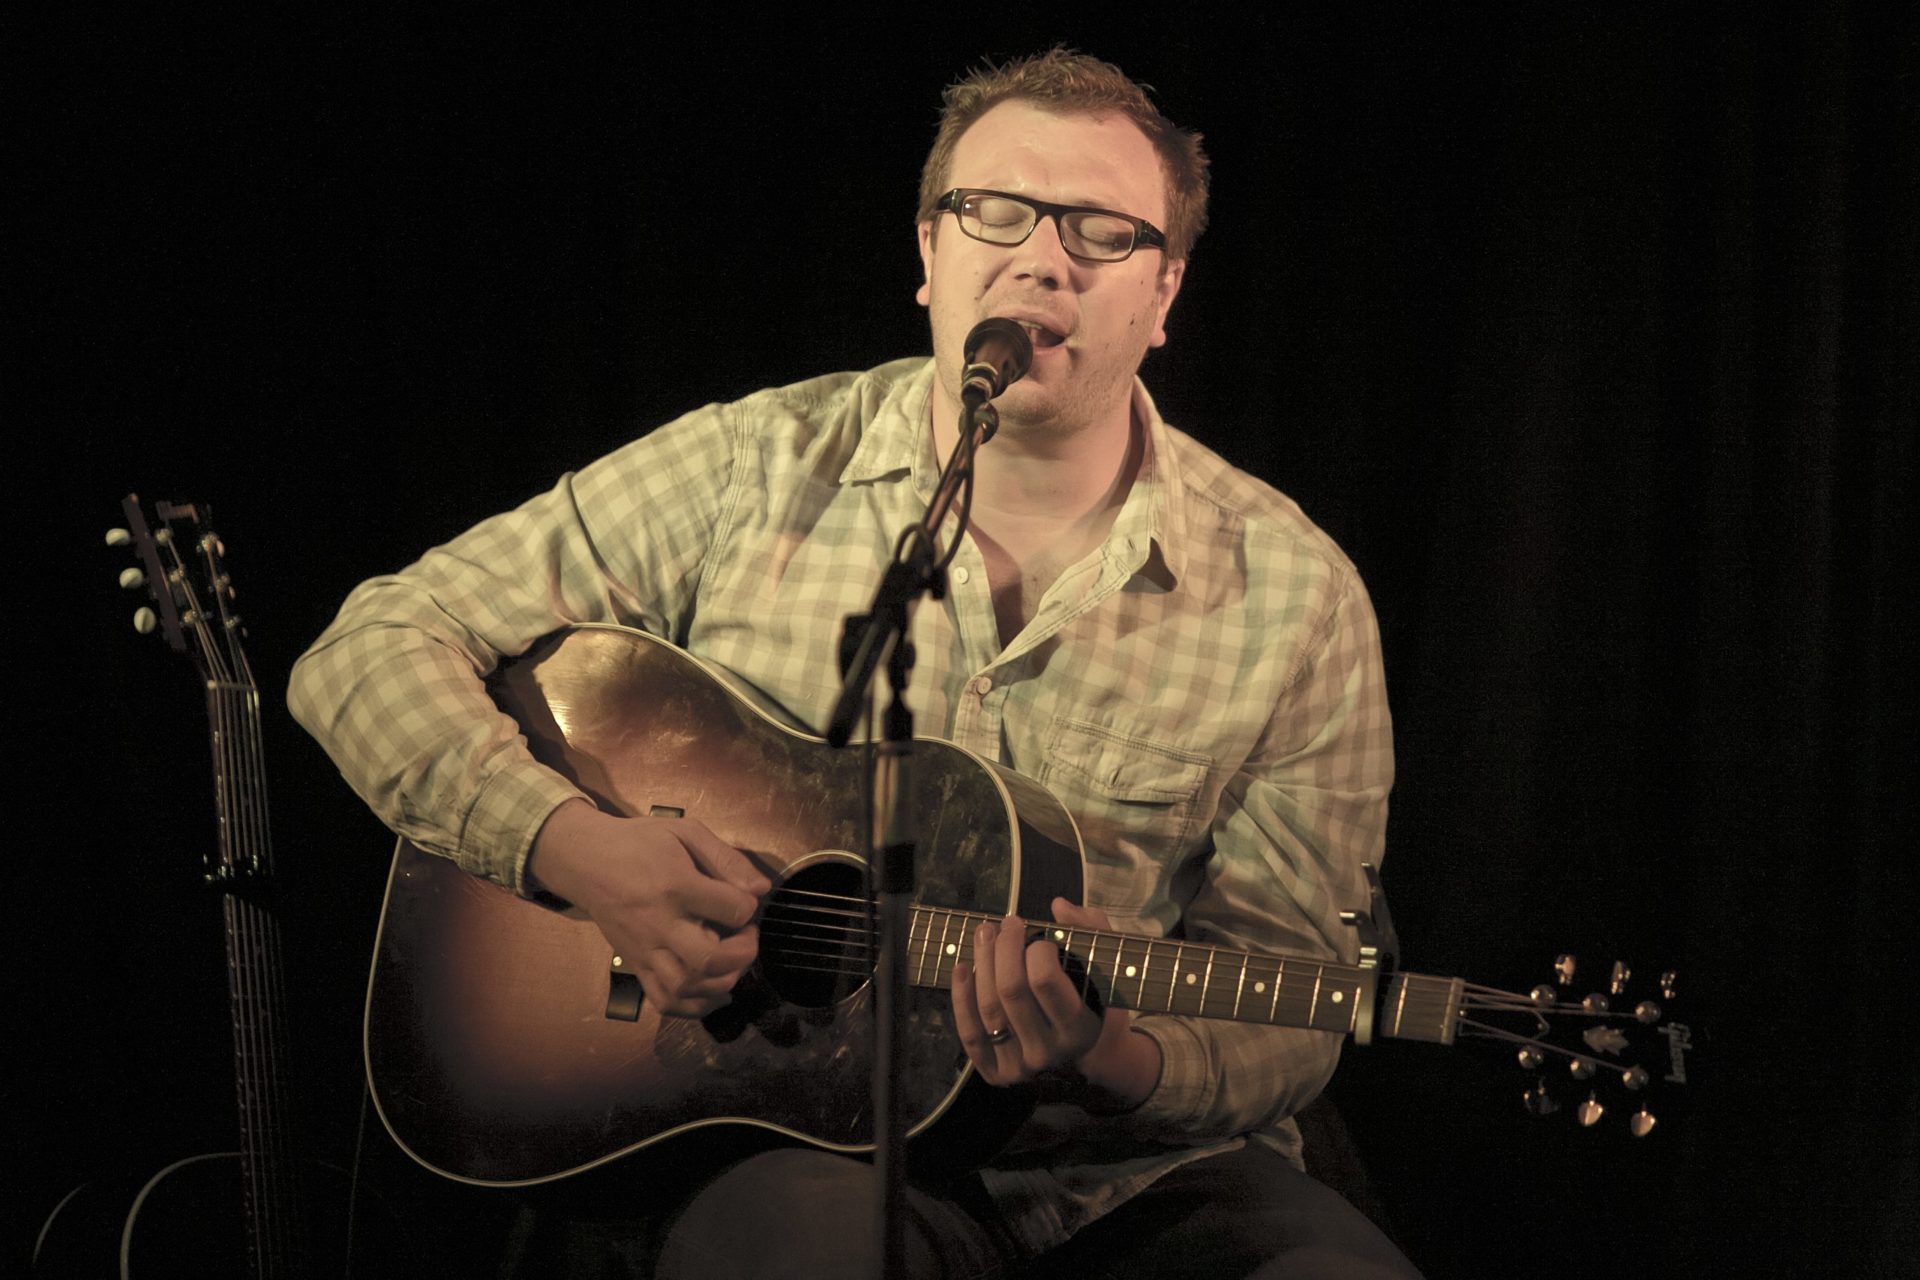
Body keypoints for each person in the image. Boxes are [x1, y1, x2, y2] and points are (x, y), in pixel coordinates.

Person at [290, 48, 1420, 1279]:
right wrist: (571, 844)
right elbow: (370, 646)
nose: (1044, 259)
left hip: (1131, 1174)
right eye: (997, 212)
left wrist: (1113, 1053)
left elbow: (1295, 982)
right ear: (930, 255)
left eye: (1102, 230)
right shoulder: (756, 465)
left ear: (1165, 296)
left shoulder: (1298, 595)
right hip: (787, 1143)